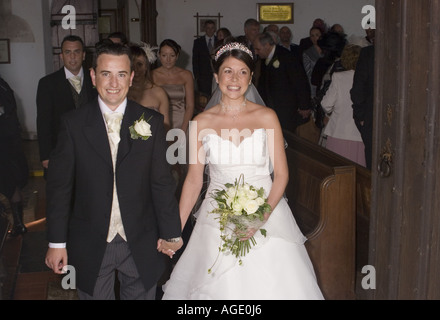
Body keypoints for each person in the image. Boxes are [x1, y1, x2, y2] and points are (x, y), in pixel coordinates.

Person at [161, 42, 324, 300]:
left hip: (267, 211)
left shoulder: (267, 117)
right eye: (227, 71)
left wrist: (260, 216)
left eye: (242, 72)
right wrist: (174, 231)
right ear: (216, 76)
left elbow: (281, 174)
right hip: (216, 219)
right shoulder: (201, 122)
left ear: (251, 77)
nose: (234, 79)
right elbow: (193, 181)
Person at [44, 43, 183, 300]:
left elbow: (161, 183)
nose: (113, 83)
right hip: (92, 240)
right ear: (94, 76)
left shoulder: (150, 121)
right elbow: (59, 188)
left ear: (131, 78)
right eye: (106, 73)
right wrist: (56, 242)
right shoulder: (73, 124)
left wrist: (171, 232)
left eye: (121, 74)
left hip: (140, 239)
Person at [36, 35, 97, 178]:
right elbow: (43, 121)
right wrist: (45, 155)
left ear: (83, 55)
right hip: (61, 149)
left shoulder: (96, 79)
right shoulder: (47, 83)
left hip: (92, 148)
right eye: (68, 52)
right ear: (61, 56)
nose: (73, 57)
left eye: (76, 52)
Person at [254, 32, 312, 133]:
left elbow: (300, 81)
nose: (256, 52)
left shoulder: (287, 57)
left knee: (286, 137)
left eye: (257, 49)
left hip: (286, 109)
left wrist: (304, 105)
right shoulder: (264, 60)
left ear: (267, 45)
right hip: (271, 107)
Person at [321, 44, 366, 166]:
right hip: (360, 135)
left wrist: (329, 113)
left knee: (338, 171)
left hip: (339, 132)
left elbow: (326, 104)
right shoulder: (368, 79)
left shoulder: (339, 77)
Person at [0, 76, 29, 236]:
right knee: (11, 185)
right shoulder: (3, 84)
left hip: (5, 144)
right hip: (10, 143)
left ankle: (18, 225)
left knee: (9, 184)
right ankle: (18, 225)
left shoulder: (2, 85)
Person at [153, 39, 195, 134]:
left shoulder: (186, 75)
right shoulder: (152, 75)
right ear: (159, 56)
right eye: (164, 55)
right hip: (160, 122)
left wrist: (184, 128)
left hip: (181, 121)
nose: (168, 60)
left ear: (177, 56)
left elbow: (190, 105)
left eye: (172, 55)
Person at [128, 43, 170, 131]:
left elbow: (166, 127)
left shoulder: (159, 93)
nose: (135, 69)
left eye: (139, 64)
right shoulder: (120, 92)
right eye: (132, 65)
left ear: (146, 66)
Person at [350, 43, 375, 170]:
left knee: (374, 162)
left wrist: (361, 115)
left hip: (371, 116)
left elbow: (358, 88)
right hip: (371, 116)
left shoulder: (369, 53)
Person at [192, 20, 217, 98]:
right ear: (205, 29)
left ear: (214, 29)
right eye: (208, 28)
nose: (210, 30)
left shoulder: (218, 41)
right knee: (204, 98)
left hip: (216, 74)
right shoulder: (198, 42)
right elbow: (195, 60)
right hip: (203, 77)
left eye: (212, 28)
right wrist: (197, 76)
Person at [303, 27, 324, 98]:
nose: (315, 38)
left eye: (317, 35)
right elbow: (308, 73)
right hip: (314, 86)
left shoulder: (327, 51)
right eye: (312, 36)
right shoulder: (307, 53)